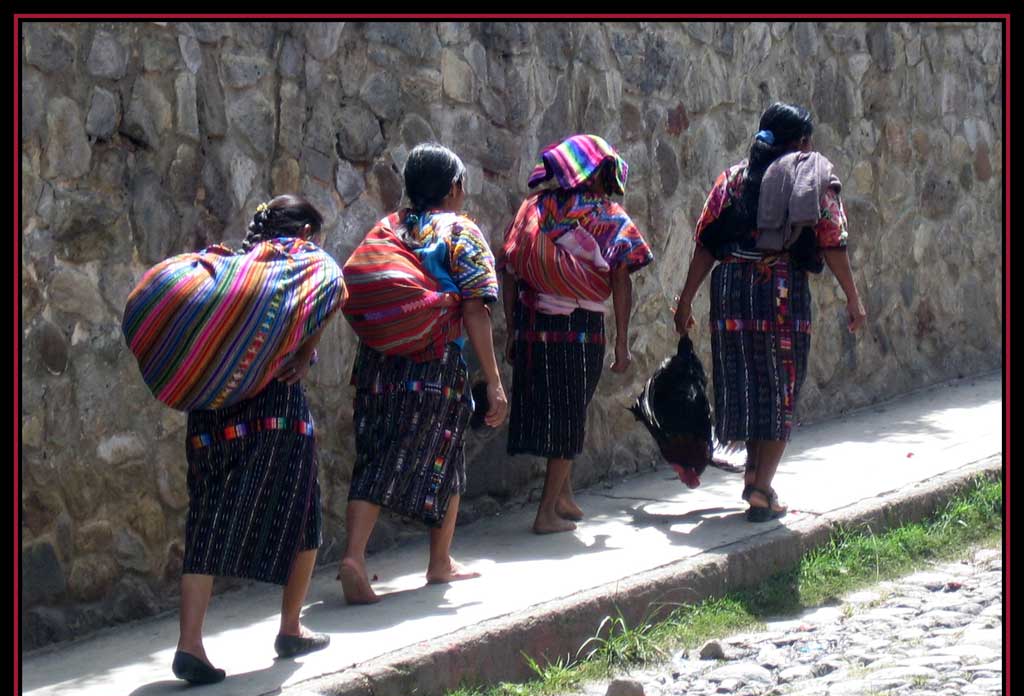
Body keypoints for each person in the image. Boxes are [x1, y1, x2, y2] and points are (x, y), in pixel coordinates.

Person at [172, 195, 343, 683]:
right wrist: (307, 351)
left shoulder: (232, 273)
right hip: (273, 413)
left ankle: (190, 644)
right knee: (304, 512)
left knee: (206, 521)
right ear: (305, 233)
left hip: (208, 417)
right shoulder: (296, 268)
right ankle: (290, 627)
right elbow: (337, 293)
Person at [673, 102, 867, 522]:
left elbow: (706, 239)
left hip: (730, 292)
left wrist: (686, 298)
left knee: (745, 383)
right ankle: (760, 487)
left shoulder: (733, 178)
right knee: (780, 387)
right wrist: (853, 297)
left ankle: (755, 480)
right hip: (780, 290)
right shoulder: (810, 175)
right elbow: (832, 239)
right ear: (800, 142)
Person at [338, 143, 508, 604]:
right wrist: (493, 380)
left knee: (376, 454)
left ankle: (357, 554)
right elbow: (475, 310)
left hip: (377, 362)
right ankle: (438, 560)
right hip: (434, 363)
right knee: (446, 453)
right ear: (454, 188)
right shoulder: (460, 231)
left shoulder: (387, 228)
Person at [501, 134, 654, 534]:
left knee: (554, 410)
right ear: (601, 173)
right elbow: (621, 279)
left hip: (535, 324)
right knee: (570, 416)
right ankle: (546, 512)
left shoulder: (534, 209)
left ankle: (564, 495)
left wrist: (514, 328)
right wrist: (621, 342)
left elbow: (510, 268)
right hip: (580, 329)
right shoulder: (607, 215)